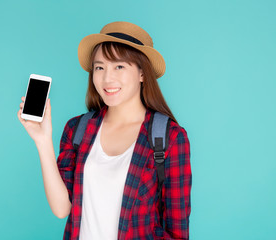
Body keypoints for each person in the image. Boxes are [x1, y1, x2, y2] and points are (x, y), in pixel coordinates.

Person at [18, 21, 192, 240]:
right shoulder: (78, 129)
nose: (107, 78)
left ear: (142, 74)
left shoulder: (169, 137)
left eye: (119, 66)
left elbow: (177, 232)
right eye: (100, 67)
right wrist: (42, 141)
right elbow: (62, 209)